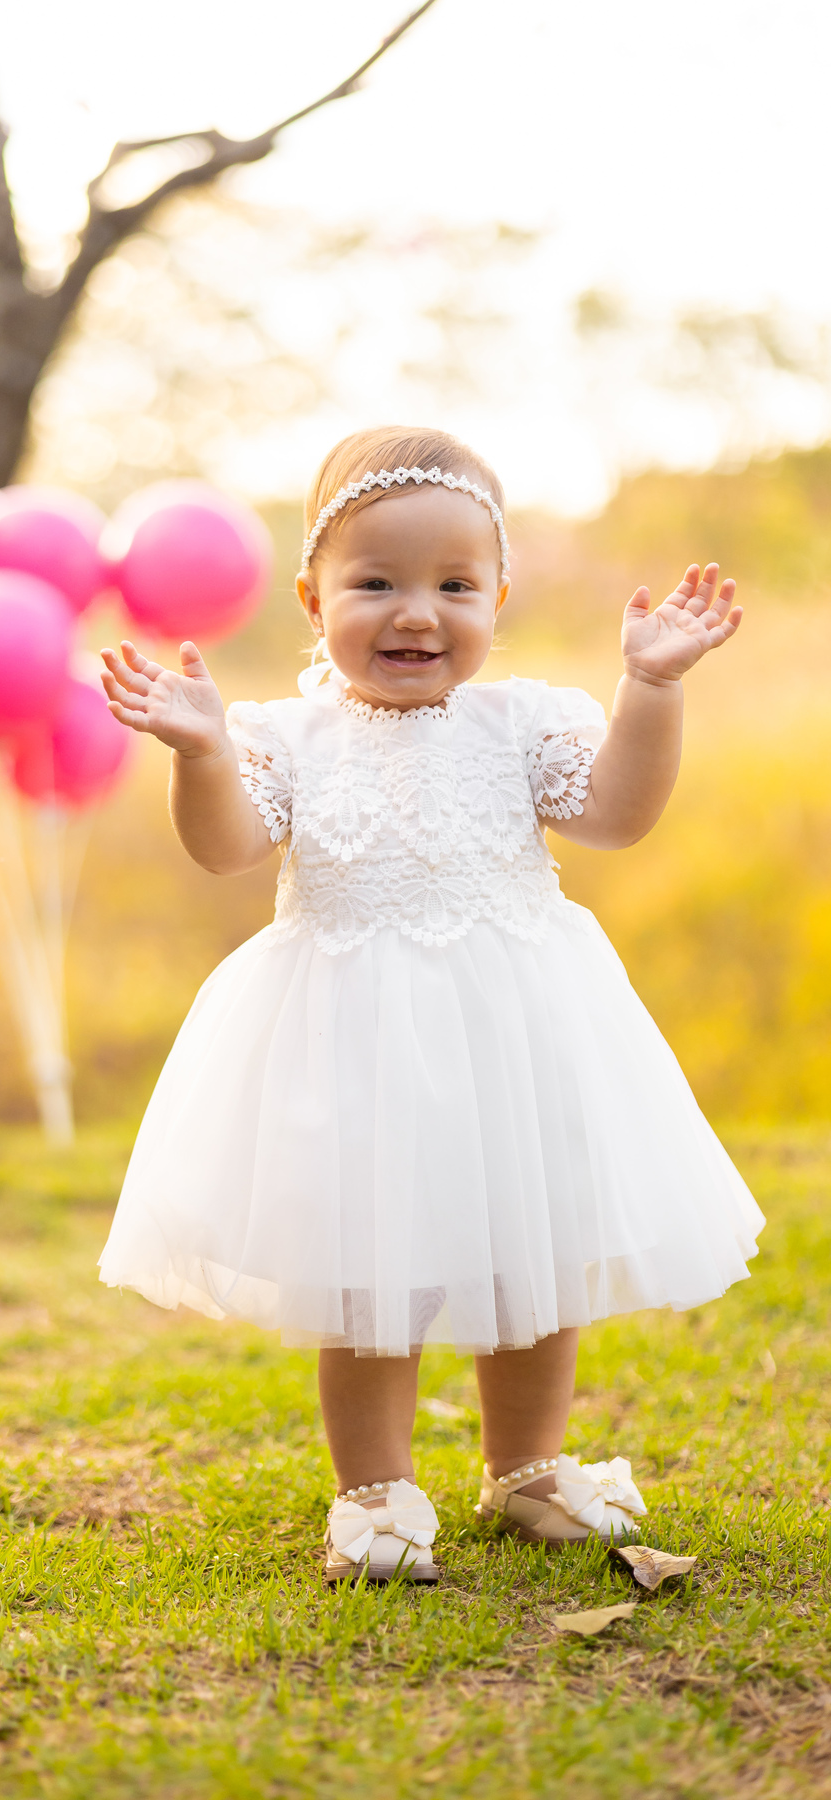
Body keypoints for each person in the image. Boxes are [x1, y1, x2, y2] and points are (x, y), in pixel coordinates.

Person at [96, 426, 763, 1585]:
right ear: (313, 599)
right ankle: (374, 1492)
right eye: (376, 584)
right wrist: (199, 754)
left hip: (516, 1034)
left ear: (498, 596)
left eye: (455, 585)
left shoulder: (522, 724)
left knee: (533, 1255)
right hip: (357, 1046)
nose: (417, 613)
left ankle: (526, 1467)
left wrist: (651, 688)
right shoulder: (286, 738)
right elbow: (227, 847)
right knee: (373, 1278)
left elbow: (616, 813)